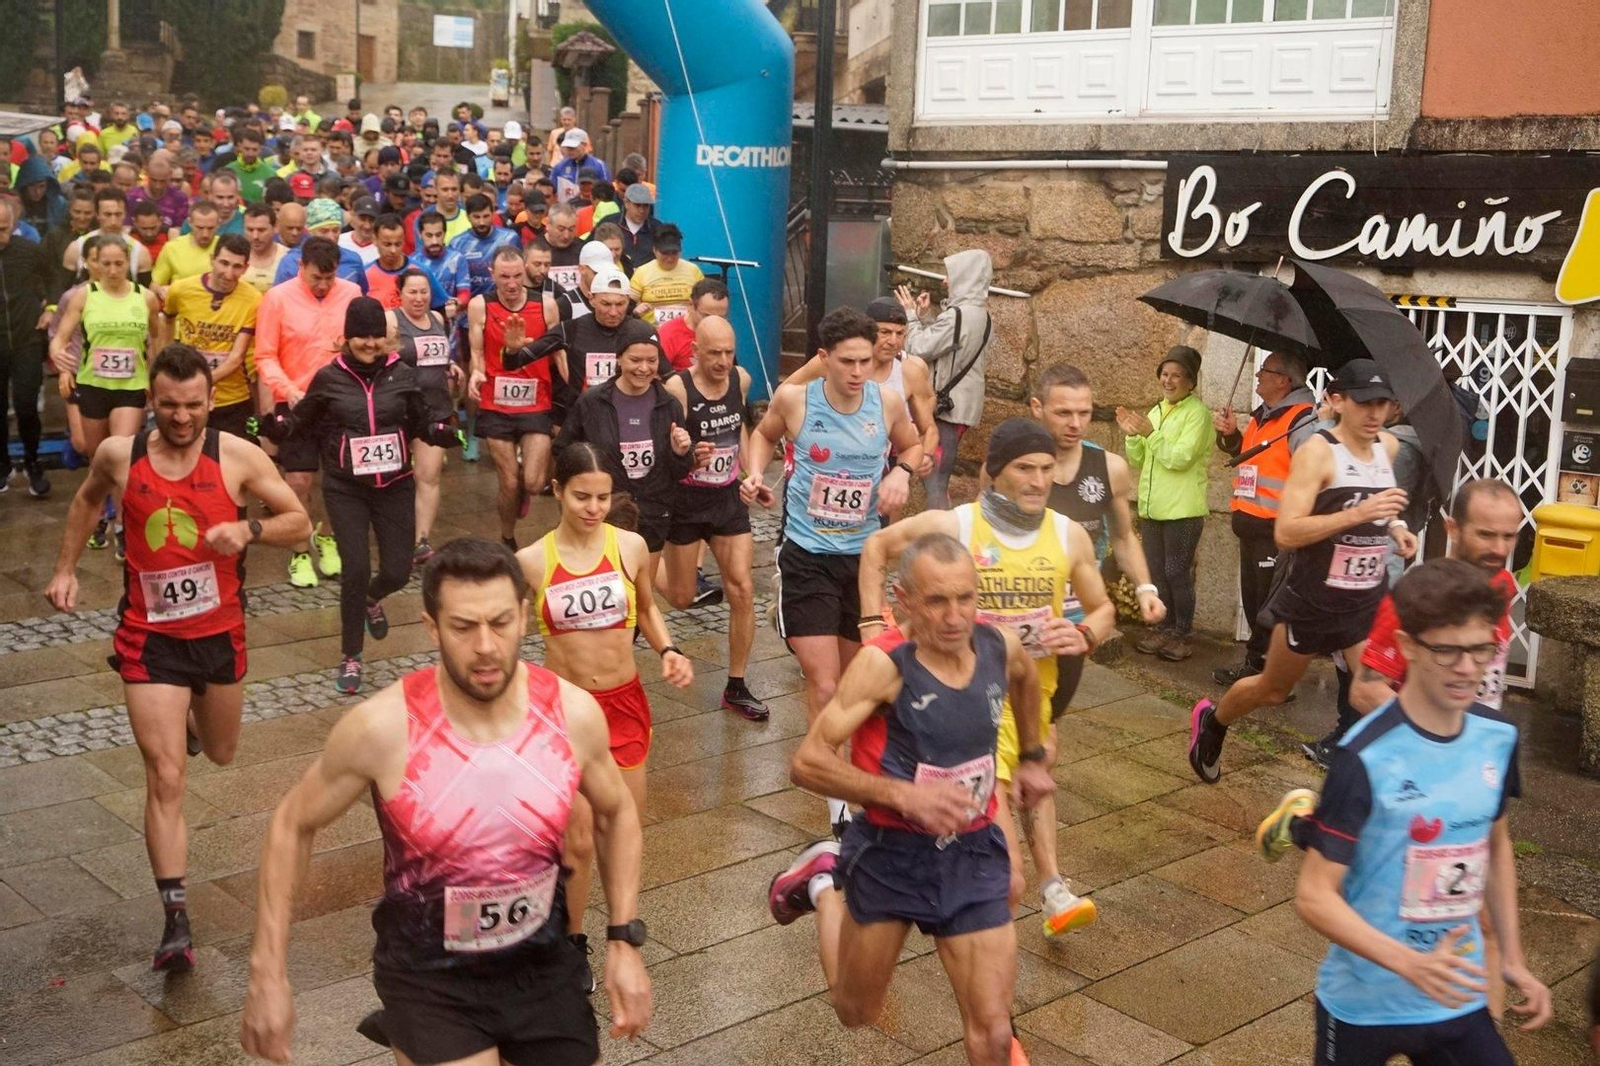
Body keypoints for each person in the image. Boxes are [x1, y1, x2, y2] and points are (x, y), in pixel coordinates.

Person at [240, 535, 653, 1060]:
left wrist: (622, 939)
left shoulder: (571, 715)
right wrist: (268, 969)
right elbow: (292, 824)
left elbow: (617, 814)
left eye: (501, 623)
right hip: (429, 976)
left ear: (524, 618)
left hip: (541, 963)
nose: (485, 645)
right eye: (463, 627)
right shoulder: (382, 728)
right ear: (431, 626)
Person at [46, 343, 310, 972]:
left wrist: (248, 531)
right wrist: (64, 570)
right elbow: (86, 501)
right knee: (165, 776)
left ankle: (194, 726)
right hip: (148, 638)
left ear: (209, 400)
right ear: (151, 400)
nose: (182, 417)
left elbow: (299, 520)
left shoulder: (237, 457)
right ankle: (176, 919)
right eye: (169, 406)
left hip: (219, 635)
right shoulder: (121, 455)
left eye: (194, 406)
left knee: (220, 751)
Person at [768, 532, 1056, 1066]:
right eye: (937, 601)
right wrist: (905, 796)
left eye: (965, 598)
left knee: (993, 1032)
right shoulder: (884, 666)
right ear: (903, 600)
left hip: (970, 851)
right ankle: (825, 885)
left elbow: (1027, 678)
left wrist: (1033, 755)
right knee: (855, 1011)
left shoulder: (998, 646)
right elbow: (807, 762)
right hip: (891, 853)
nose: (954, 616)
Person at [1254, 558, 1552, 1064]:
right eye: (1448, 650)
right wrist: (1409, 963)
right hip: (1363, 1005)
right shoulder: (1363, 756)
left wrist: (1514, 962)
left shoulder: (1498, 740)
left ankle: (1307, 822)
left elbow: (1497, 847)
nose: (1467, 668)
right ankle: (1308, 822)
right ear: (1409, 645)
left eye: (1480, 649)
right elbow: (1314, 897)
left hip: (1455, 993)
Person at [859, 418, 1115, 936]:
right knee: (1004, 876)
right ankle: (1001, 934)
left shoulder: (1067, 537)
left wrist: (1086, 634)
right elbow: (876, 550)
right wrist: (873, 629)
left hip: (1029, 697)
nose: (1038, 480)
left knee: (1034, 786)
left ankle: (1047, 889)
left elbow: (1104, 607)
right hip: (964, 704)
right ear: (993, 473)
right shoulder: (957, 526)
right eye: (1024, 468)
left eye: (1046, 469)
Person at [1190, 359, 1418, 784]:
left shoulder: (1387, 446)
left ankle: (1413, 777)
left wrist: (1398, 527)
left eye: (1382, 404)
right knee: (1272, 690)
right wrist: (1359, 515)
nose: (1374, 414)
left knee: (1372, 689)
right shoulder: (1318, 452)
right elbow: (1287, 532)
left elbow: (1379, 500)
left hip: (1363, 600)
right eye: (1364, 403)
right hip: (1313, 599)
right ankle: (1214, 722)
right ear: (1337, 400)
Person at [515, 444, 692, 987]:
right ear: (557, 492)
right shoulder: (532, 561)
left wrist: (666, 649)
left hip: (623, 704)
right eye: (581, 496)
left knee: (624, 828)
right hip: (566, 713)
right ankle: (571, 942)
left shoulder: (631, 546)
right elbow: (507, 633)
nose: (593, 507)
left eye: (601, 497)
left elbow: (649, 606)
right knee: (580, 839)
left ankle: (622, 929)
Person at [742, 306, 924, 832]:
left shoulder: (887, 401)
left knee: (854, 676)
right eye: (846, 361)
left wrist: (902, 475)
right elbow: (764, 435)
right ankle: (835, 796)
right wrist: (755, 474)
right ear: (823, 358)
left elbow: (912, 443)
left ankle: (856, 766)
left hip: (863, 560)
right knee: (823, 682)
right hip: (806, 553)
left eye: (866, 361)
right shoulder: (796, 399)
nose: (857, 371)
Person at [258, 297, 461, 693]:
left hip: (394, 485)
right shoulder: (329, 377)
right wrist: (271, 426)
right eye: (359, 337)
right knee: (353, 569)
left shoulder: (401, 374)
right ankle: (351, 655)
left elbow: (422, 421)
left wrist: (443, 432)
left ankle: (372, 597)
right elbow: (300, 422)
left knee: (398, 570)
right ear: (346, 337)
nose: (368, 344)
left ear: (384, 338)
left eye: (374, 336)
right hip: (346, 487)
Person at [1026, 363, 1166, 703]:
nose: (1075, 424)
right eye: (1063, 413)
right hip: (1021, 612)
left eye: (1084, 413)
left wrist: (1145, 588)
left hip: (1076, 621)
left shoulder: (1109, 467)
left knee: (1048, 721)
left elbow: (1122, 537)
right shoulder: (1011, 464)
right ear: (1037, 408)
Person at [254, 236, 361, 587]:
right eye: (316, 277)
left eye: (329, 279)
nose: (323, 285)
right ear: (301, 268)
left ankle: (326, 536)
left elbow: (361, 343)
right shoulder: (277, 298)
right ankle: (299, 550)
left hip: (338, 401)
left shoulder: (350, 293)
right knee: (297, 479)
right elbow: (265, 356)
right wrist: (288, 390)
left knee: (339, 477)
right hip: (296, 400)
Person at [50, 233, 166, 556]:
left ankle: (124, 527)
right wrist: (60, 359)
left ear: (127, 264)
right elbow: (60, 338)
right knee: (97, 459)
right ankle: (99, 515)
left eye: (119, 263)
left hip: (130, 387)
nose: (113, 270)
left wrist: (155, 381)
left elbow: (155, 342)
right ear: (95, 264)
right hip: (93, 386)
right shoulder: (84, 296)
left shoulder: (145, 298)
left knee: (122, 457)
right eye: (107, 264)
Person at [550, 318, 693, 578]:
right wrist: (585, 490)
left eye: (652, 360)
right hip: (605, 512)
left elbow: (680, 472)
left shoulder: (669, 404)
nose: (644, 368)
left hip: (653, 512)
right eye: (635, 360)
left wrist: (680, 452)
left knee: (641, 595)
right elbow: (562, 450)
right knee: (607, 585)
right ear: (619, 359)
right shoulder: (592, 402)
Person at [1212, 351, 1319, 685]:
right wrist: (1231, 435)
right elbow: (1252, 459)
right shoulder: (1265, 415)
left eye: (1265, 371)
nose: (1258, 375)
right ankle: (1257, 667)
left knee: (1268, 606)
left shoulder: (1302, 420)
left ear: (1284, 381)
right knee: (1254, 601)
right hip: (1251, 523)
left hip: (1275, 528)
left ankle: (1267, 674)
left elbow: (1311, 470)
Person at [788, 297, 941, 518]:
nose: (893, 341)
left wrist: (925, 455)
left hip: (875, 466)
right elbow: (786, 394)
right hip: (823, 462)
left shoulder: (910, 371)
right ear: (868, 331)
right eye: (885, 332)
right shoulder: (834, 362)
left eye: (900, 334)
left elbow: (929, 428)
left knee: (877, 534)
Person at [1117, 345, 1212, 661]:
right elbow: (1139, 458)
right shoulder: (1157, 411)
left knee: (1177, 572)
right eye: (1165, 374)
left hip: (1183, 510)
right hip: (1152, 508)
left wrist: (1150, 433)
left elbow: (1180, 458)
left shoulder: (1197, 414)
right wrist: (1133, 434)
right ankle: (1163, 628)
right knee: (1156, 572)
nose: (1169, 381)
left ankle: (1182, 633)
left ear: (1191, 383)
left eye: (1177, 376)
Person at [467, 246, 554, 550]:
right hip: (496, 402)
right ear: (492, 274)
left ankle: (523, 491)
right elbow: (476, 352)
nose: (512, 283)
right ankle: (507, 537)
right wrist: (476, 373)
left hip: (536, 400)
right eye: (504, 276)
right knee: (509, 482)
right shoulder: (481, 306)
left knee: (531, 482)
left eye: (518, 275)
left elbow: (558, 352)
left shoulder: (545, 305)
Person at [897, 249, 993, 510]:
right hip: (962, 408)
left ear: (965, 279)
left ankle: (939, 535)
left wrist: (910, 315)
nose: (945, 282)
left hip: (947, 410)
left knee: (935, 479)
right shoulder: (980, 315)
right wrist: (927, 317)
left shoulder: (958, 316)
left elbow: (918, 347)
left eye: (951, 276)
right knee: (937, 475)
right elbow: (949, 346)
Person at [388, 269, 463, 565]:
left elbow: (439, 356)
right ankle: (393, 532)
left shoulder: (438, 319)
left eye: (424, 292)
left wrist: (452, 366)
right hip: (400, 410)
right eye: (412, 292)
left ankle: (421, 540)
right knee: (395, 477)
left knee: (429, 477)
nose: (419, 298)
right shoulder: (391, 319)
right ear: (401, 293)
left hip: (436, 408)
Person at [162, 234, 260, 441]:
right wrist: (165, 359)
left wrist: (199, 380)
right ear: (212, 259)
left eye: (237, 267)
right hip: (187, 399)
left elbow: (236, 358)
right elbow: (167, 319)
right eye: (223, 263)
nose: (228, 273)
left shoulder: (253, 300)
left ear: (246, 268)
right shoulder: (181, 289)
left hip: (232, 399)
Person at [0, 199, 54, 498]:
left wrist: (52, 307)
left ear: (14, 226)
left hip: (26, 340)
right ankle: (2, 464)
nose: (0, 237)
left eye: (4, 230)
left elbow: (55, 278)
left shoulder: (29, 251)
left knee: (25, 406)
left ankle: (33, 462)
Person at [449, 192, 521, 301]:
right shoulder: (457, 243)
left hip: (505, 304)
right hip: (470, 307)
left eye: (486, 216)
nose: (482, 222)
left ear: (493, 214)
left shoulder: (509, 238)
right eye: (476, 217)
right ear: (468, 216)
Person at [629, 224, 702, 327]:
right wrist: (635, 311)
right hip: (652, 331)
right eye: (665, 253)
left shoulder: (693, 271)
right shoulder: (642, 272)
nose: (670, 258)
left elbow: (705, 302)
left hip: (685, 330)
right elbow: (628, 304)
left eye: (674, 253)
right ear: (654, 250)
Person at [656, 277, 730, 372]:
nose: (714, 322)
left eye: (721, 317)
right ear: (691, 305)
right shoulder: (669, 334)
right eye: (706, 316)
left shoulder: (725, 332)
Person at [240, 202, 285, 294]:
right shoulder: (235, 257)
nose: (255, 236)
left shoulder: (287, 258)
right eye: (250, 230)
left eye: (261, 230)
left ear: (275, 227)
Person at [618, 183, 661, 266]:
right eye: (637, 205)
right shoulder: (610, 224)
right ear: (626, 203)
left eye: (645, 206)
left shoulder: (658, 229)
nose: (642, 211)